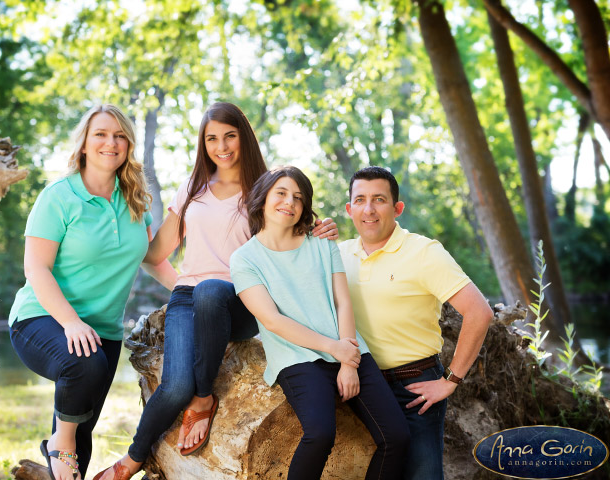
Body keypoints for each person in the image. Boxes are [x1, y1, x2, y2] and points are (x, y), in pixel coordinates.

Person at [93, 103, 338, 480]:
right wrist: (169, 272)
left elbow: (297, 233)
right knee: (175, 386)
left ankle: (204, 397)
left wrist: (322, 229)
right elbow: (154, 254)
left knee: (210, 290)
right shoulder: (192, 188)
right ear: (202, 144)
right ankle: (132, 459)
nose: (221, 146)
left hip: (242, 301)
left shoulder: (268, 188)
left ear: (243, 137)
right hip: (188, 300)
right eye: (211, 138)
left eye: (229, 136)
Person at [8, 104, 177, 480]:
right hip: (41, 318)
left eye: (120, 136)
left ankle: (65, 457)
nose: (110, 142)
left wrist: (185, 286)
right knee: (83, 366)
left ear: (128, 146)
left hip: (103, 331)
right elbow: (35, 267)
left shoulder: (134, 198)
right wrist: (70, 322)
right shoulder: (58, 197)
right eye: (100, 133)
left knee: (81, 436)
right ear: (84, 143)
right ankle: (58, 443)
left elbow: (151, 255)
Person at [229, 166, 409, 480]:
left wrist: (349, 361)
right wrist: (334, 349)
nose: (289, 202)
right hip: (297, 357)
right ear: (262, 199)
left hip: (349, 348)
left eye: (298, 197)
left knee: (397, 437)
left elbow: (342, 301)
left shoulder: (321, 242)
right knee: (320, 434)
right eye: (281, 193)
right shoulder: (244, 260)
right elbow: (272, 320)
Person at [338, 166, 494, 480]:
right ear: (349, 209)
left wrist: (450, 380)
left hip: (414, 387)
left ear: (397, 208)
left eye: (379, 200)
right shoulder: (336, 255)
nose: (369, 209)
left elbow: (480, 312)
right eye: (361, 200)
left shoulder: (424, 253)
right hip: (357, 385)